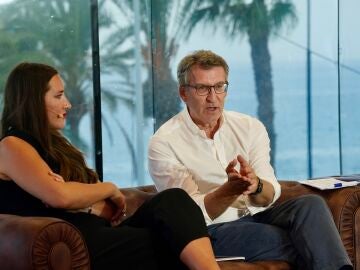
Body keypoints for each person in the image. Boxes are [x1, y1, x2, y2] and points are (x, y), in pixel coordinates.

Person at [0, 62, 221, 270]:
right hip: (76, 242)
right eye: (58, 96)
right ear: (33, 101)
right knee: (171, 241)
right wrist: (108, 189)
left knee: (174, 199)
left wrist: (81, 199)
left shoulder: (55, 147)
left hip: (101, 228)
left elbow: (94, 205)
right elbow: (61, 196)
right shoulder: (11, 145)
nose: (67, 103)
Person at [148, 50, 353, 270]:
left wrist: (256, 185)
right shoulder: (164, 143)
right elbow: (189, 217)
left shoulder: (249, 127)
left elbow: (270, 192)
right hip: (214, 229)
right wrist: (229, 190)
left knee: (311, 204)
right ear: (183, 93)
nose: (213, 97)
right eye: (202, 88)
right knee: (303, 240)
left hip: (259, 212)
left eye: (219, 86)